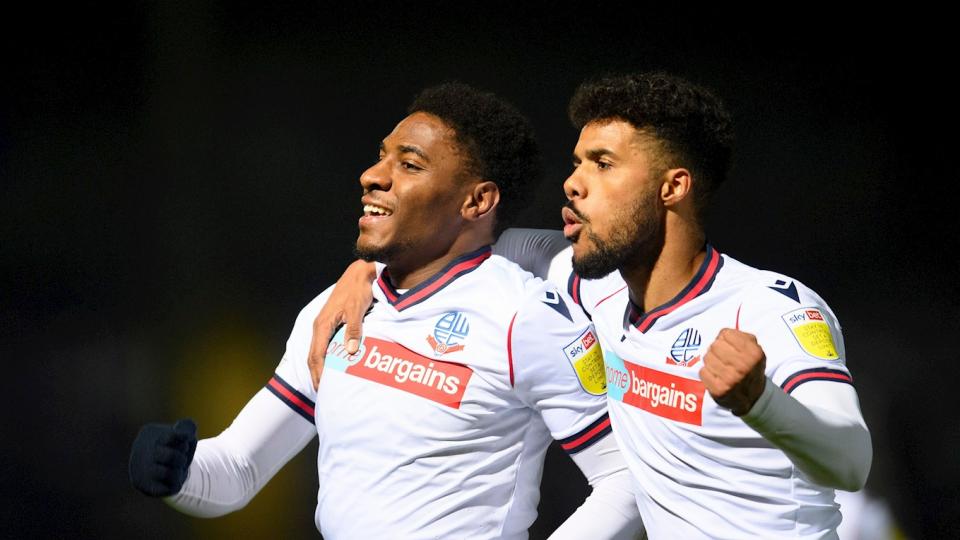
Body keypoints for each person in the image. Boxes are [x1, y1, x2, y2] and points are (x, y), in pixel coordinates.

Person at [307, 73, 872, 539]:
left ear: (672, 187)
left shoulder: (768, 307)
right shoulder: (593, 288)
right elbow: (451, 242)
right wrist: (367, 269)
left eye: (602, 164)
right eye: (577, 163)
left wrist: (760, 402)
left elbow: (851, 461)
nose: (573, 183)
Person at [128, 83, 644, 540]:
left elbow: (625, 481)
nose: (372, 176)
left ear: (476, 201)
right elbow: (238, 468)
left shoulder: (526, 317)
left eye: (409, 165)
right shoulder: (336, 310)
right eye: (382, 157)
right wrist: (178, 473)